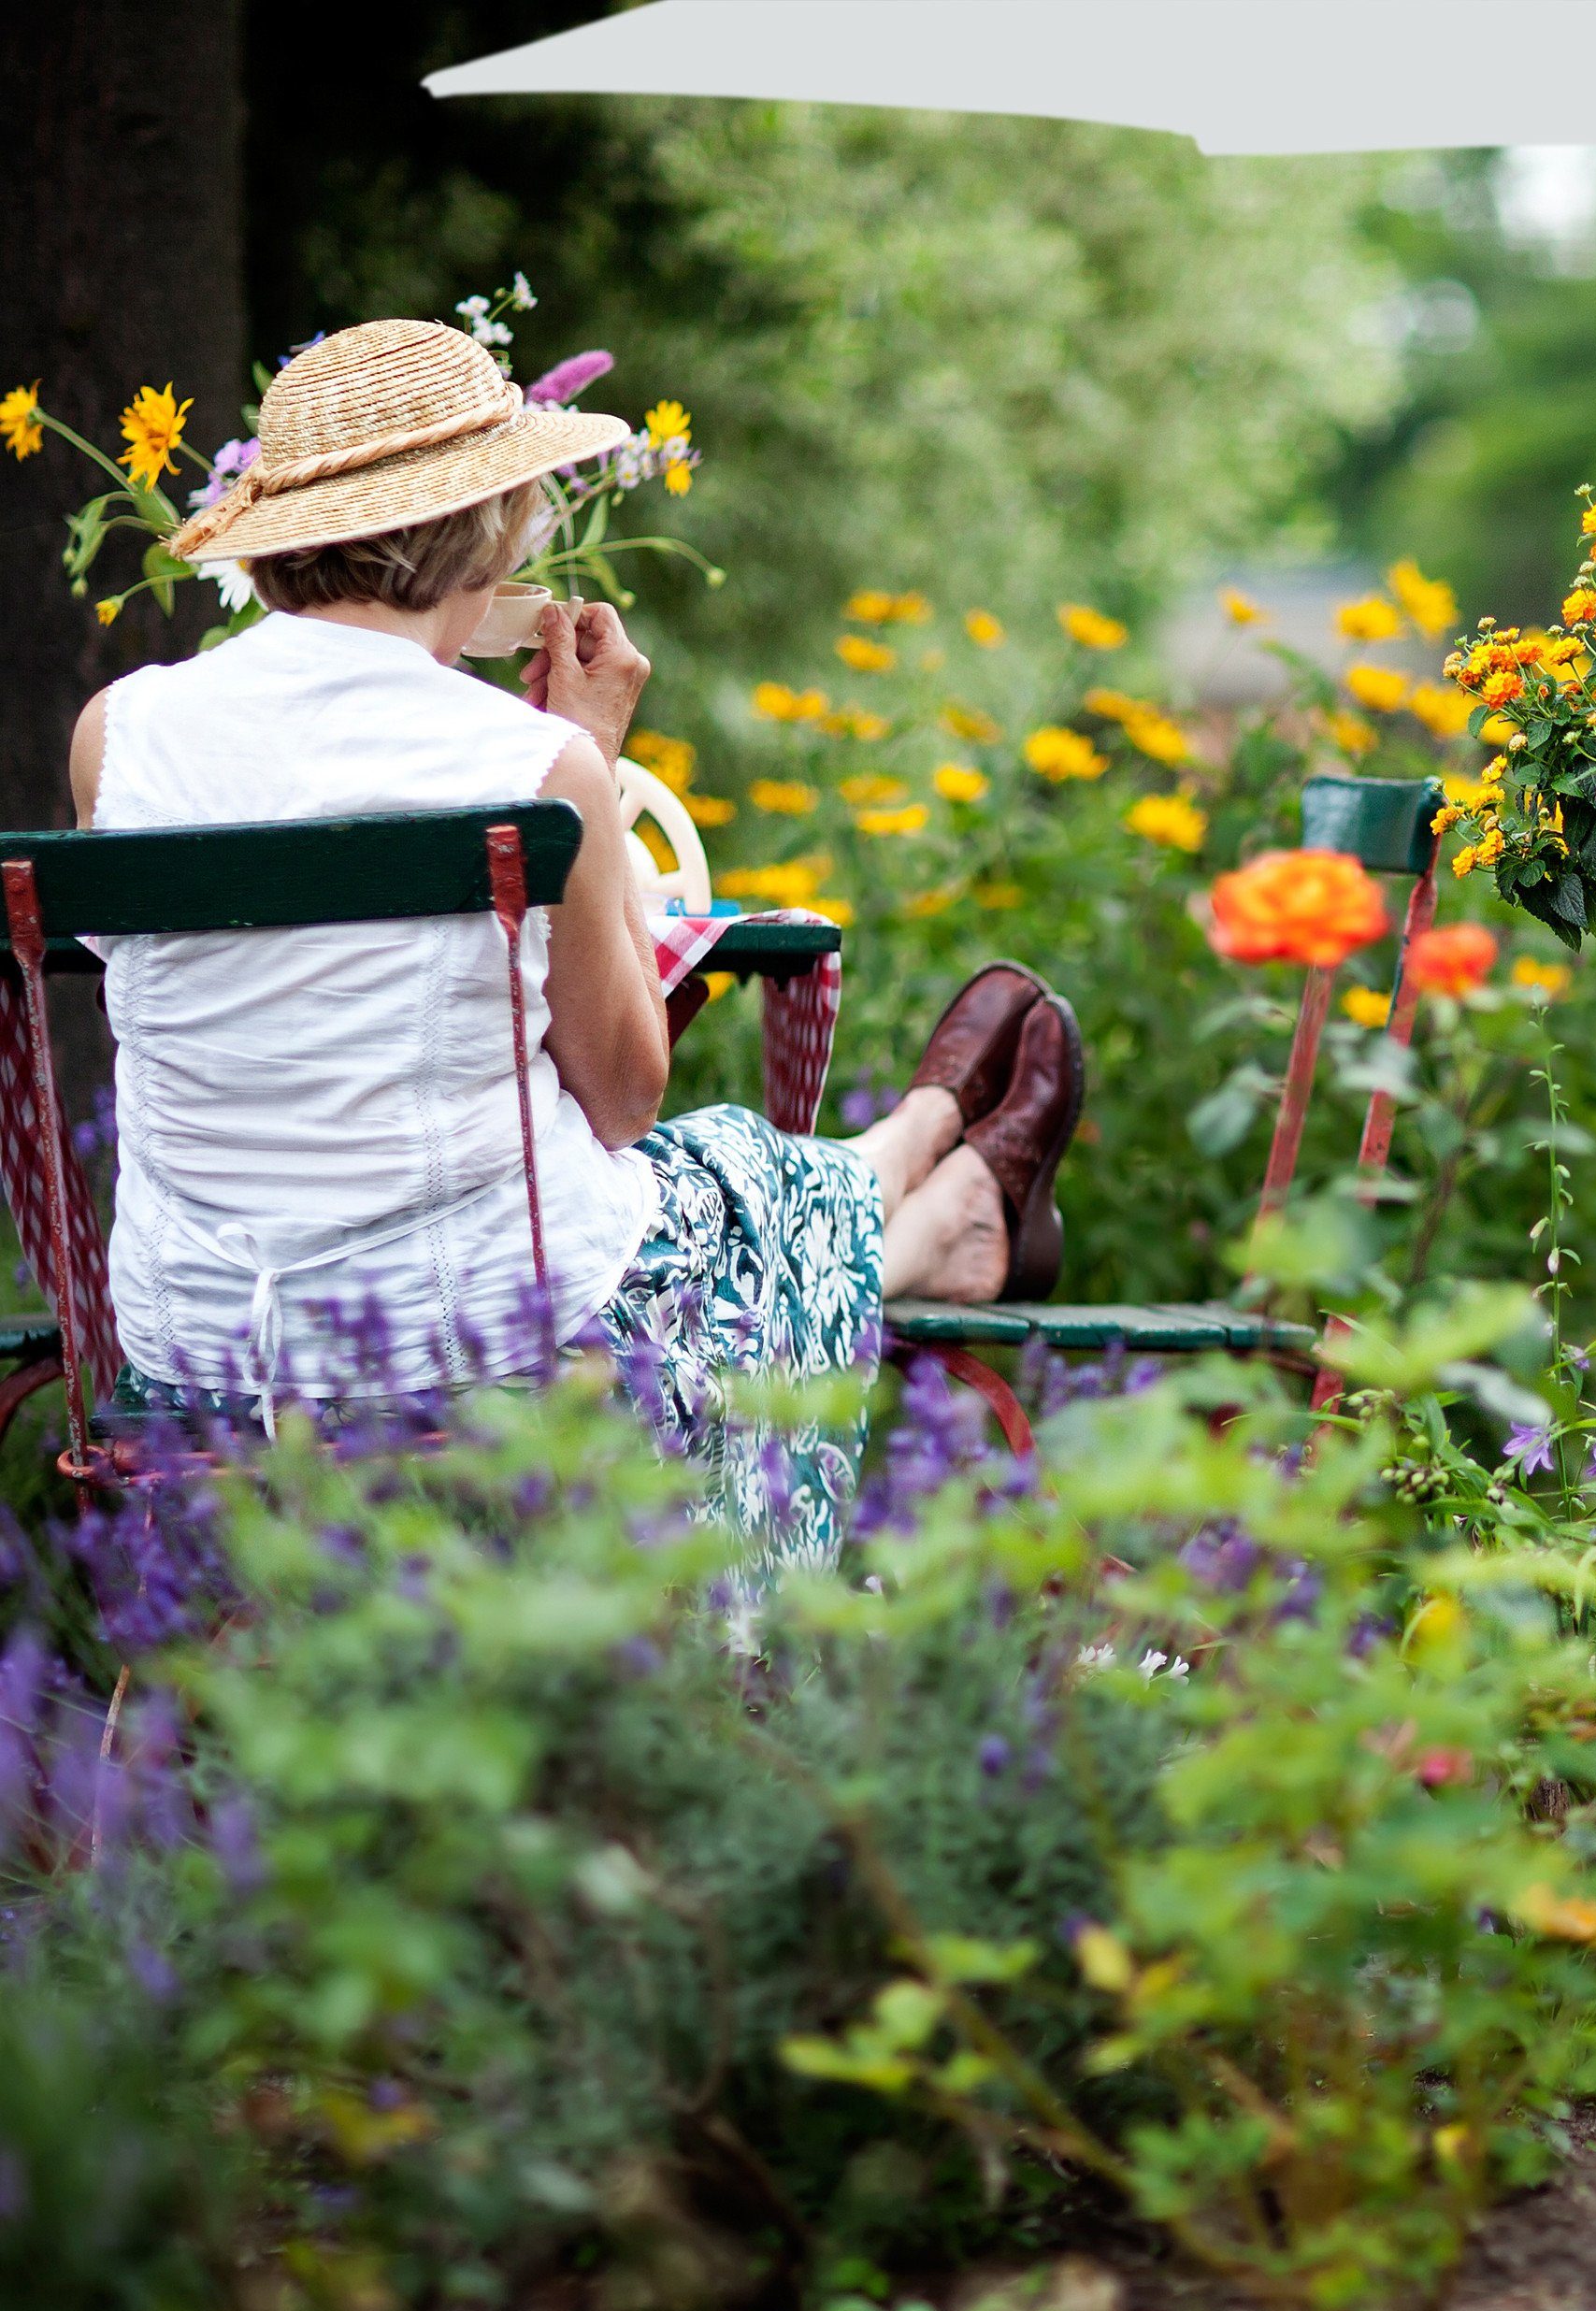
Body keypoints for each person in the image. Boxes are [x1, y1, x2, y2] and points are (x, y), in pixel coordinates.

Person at [70, 316, 1081, 1593]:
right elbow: (620, 1100)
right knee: (724, 1166)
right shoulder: (529, 769)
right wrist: (586, 765)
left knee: (709, 1186)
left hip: (201, 1347)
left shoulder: (121, 732)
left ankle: (938, 1195)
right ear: (492, 535)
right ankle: (930, 1191)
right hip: (469, 1338)